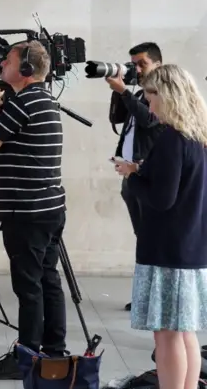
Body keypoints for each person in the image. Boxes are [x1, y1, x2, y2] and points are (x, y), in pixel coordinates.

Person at [0, 40, 67, 379]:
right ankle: (54, 353)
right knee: (47, 280)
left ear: (26, 70)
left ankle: (26, 357)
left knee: (29, 287)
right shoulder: (43, 100)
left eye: (8, 61)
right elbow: (11, 122)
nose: (2, 65)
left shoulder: (22, 103)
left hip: (26, 213)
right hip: (49, 208)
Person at [114, 64, 207, 389]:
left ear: (168, 96)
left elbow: (162, 199)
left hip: (167, 250)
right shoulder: (199, 135)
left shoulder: (171, 138)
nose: (149, 106)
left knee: (166, 334)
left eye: (151, 97)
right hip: (192, 247)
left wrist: (133, 175)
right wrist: (143, 169)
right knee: (185, 332)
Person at [106, 42, 164, 312]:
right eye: (134, 64)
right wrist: (120, 90)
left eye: (143, 64)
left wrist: (124, 92)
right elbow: (118, 118)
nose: (138, 69)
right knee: (143, 237)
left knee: (153, 239)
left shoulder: (164, 95)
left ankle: (155, 299)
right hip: (131, 176)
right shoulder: (139, 95)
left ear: (158, 65)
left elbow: (150, 122)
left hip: (148, 176)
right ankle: (146, 296)